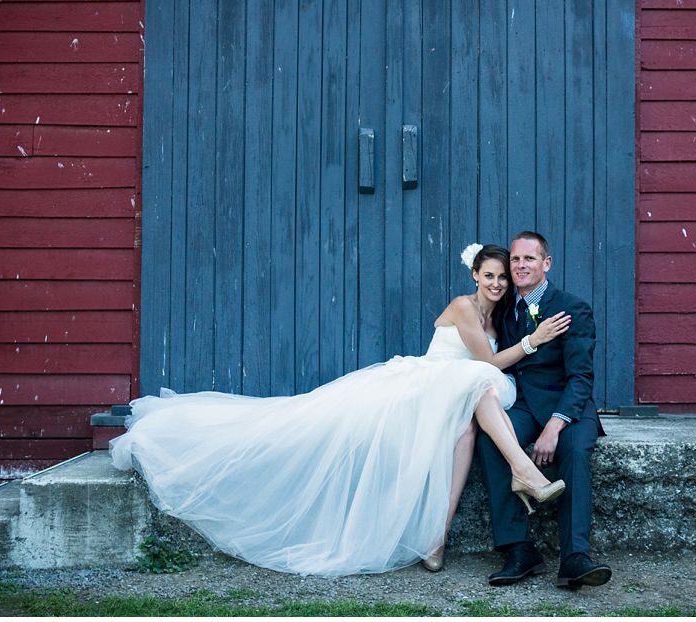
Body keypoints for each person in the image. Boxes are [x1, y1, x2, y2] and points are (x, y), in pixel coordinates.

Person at [110, 244, 570, 577]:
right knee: (481, 386)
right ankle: (523, 469)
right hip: (425, 383)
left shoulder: (500, 316)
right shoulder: (463, 307)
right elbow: (487, 364)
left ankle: (437, 538)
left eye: (502, 277)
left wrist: (528, 338)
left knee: (468, 431)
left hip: (452, 395)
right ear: (474, 276)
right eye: (488, 275)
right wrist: (535, 340)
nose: (495, 283)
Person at [477, 231, 612, 590]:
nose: (521, 266)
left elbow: (581, 376)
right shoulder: (505, 309)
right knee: (492, 438)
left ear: (546, 263)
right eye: (516, 260)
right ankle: (519, 549)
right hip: (523, 404)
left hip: (568, 405)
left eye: (529, 259)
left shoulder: (572, 307)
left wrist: (555, 425)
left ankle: (575, 557)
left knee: (574, 450)